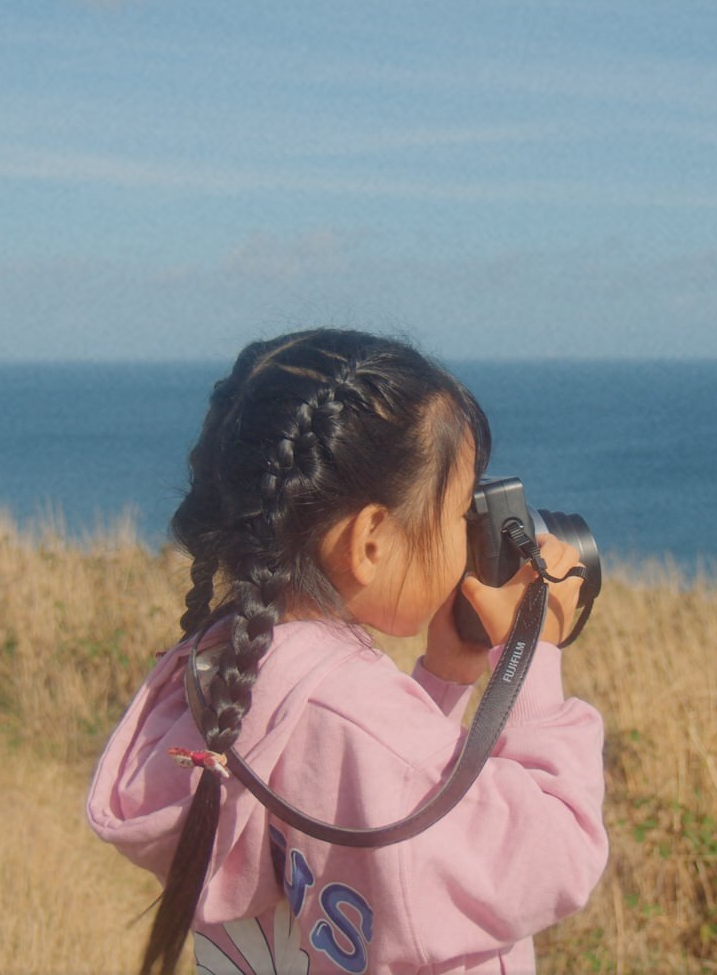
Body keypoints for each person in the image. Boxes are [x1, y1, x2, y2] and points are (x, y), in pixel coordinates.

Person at [87, 329, 608, 975]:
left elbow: (381, 826)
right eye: (456, 512)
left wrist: (443, 683)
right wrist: (534, 647)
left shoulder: (223, 677)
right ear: (370, 541)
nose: (468, 534)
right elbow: (554, 853)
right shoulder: (355, 718)